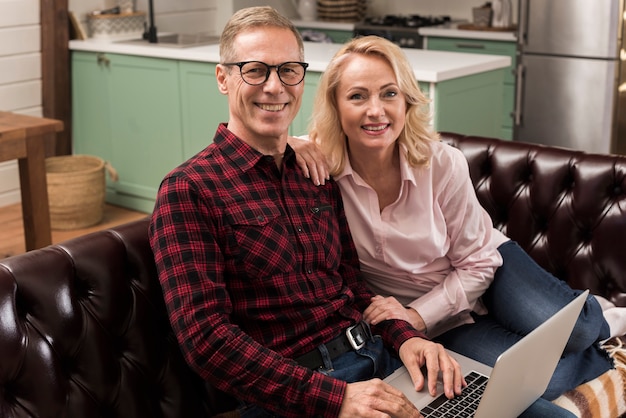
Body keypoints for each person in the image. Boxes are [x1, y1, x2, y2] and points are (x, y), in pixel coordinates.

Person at [149, 7, 466, 418]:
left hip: (377, 359)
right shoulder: (189, 189)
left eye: (288, 71)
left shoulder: (313, 173)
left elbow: (352, 285)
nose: (274, 87)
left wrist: (406, 339)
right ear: (223, 79)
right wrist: (338, 400)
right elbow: (207, 340)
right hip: (298, 396)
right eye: (255, 70)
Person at [290, 35, 619, 416]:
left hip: (484, 267)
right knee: (537, 382)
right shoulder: (318, 167)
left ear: (407, 99)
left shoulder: (442, 163)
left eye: (389, 94)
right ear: (335, 105)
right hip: (439, 322)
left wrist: (415, 315)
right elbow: (252, 140)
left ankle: (603, 316)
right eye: (357, 97)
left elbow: (478, 263)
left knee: (577, 329)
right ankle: (565, 342)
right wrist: (286, 143)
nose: (375, 111)